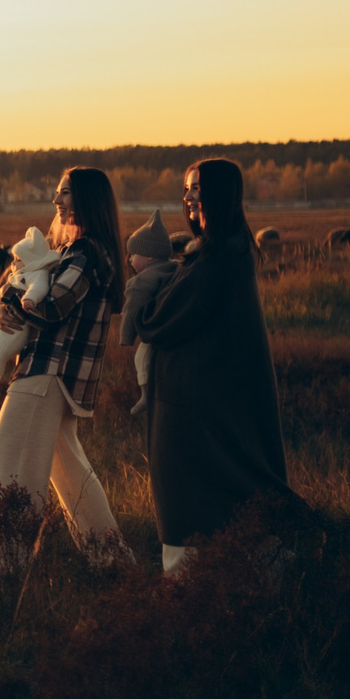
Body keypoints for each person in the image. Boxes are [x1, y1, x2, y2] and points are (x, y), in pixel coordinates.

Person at [129, 159, 292, 573]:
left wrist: (144, 303)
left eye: (196, 189)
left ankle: (193, 595)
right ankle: (230, 582)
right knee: (213, 485)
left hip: (196, 405)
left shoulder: (220, 257)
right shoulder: (218, 252)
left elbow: (164, 320)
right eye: (186, 189)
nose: (188, 197)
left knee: (189, 493)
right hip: (195, 398)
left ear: (220, 193)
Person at [0, 166, 126, 560]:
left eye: (65, 193)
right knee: (69, 471)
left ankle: (3, 563)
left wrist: (9, 305)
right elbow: (27, 289)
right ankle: (111, 559)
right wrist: (2, 310)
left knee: (9, 458)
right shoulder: (76, 252)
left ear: (86, 200)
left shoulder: (85, 253)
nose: (56, 202)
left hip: (49, 371)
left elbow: (53, 305)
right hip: (59, 376)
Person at [0, 224, 64, 398]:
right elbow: (4, 289)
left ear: (30, 261)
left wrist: (29, 299)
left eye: (17, 259)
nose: (12, 263)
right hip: (8, 322)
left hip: (18, 327)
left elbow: (38, 288)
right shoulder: (17, 276)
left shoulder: (37, 274)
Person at [117, 209, 180, 415]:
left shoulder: (141, 281)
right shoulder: (177, 268)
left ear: (150, 256)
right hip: (175, 329)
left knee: (142, 357)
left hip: (153, 333)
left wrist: (126, 337)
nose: (129, 260)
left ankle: (146, 395)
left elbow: (132, 308)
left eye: (133, 254)